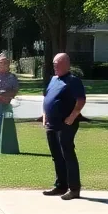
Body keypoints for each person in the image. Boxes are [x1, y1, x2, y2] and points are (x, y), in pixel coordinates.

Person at [42, 52, 86, 199]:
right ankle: (61, 186)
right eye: (54, 63)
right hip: (51, 124)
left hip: (66, 124)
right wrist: (44, 115)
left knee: (67, 155)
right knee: (56, 156)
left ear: (66, 64)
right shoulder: (53, 79)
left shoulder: (73, 81)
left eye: (57, 64)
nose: (54, 66)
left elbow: (81, 100)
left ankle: (74, 189)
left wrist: (72, 116)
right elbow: (47, 98)